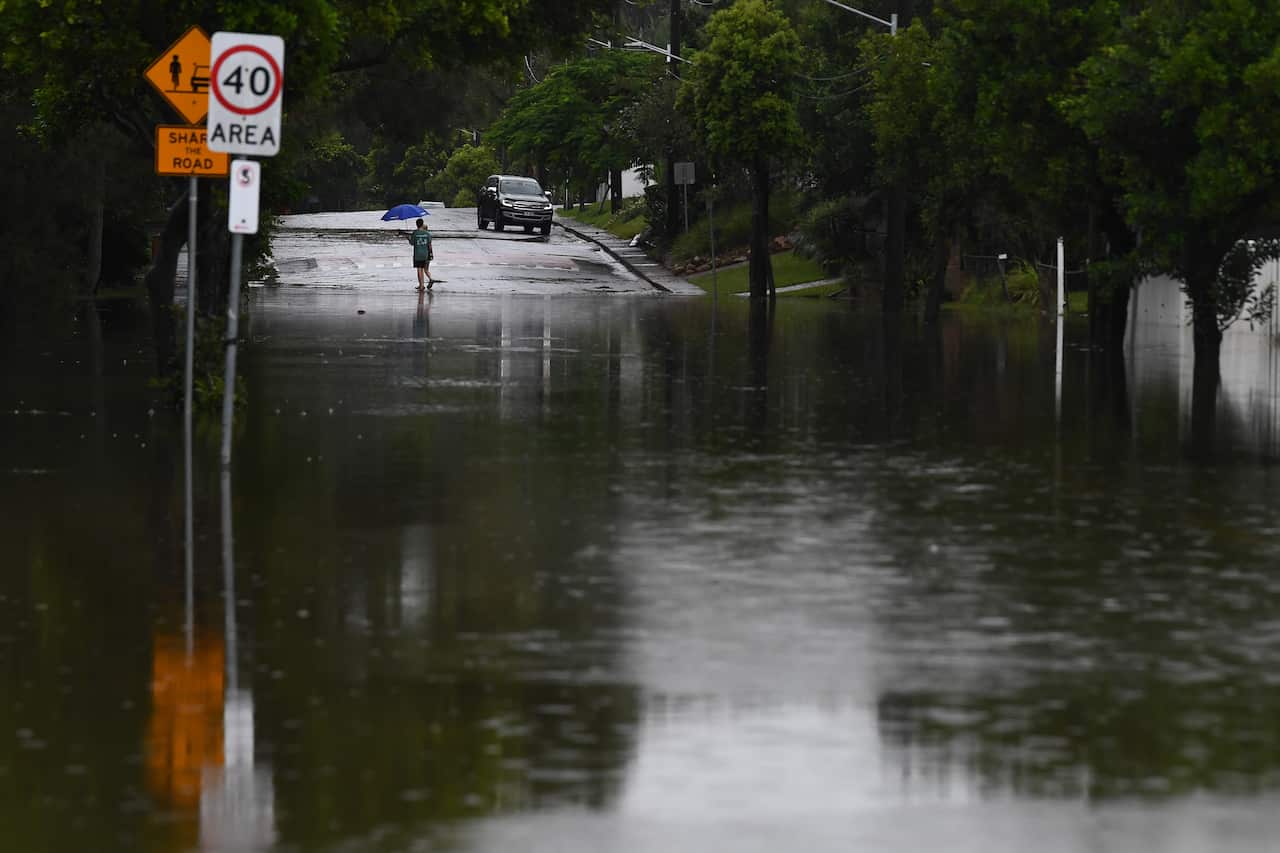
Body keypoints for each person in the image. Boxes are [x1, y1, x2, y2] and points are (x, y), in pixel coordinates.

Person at [404, 218, 435, 290]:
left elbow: (412, 243)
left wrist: (408, 238)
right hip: (425, 254)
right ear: (422, 224)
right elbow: (430, 245)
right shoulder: (427, 234)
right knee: (425, 269)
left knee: (419, 270)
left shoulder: (415, 233)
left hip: (417, 254)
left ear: (416, 224)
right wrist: (431, 254)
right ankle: (424, 283)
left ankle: (421, 285)